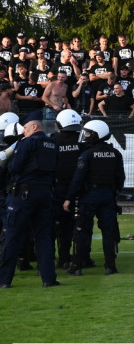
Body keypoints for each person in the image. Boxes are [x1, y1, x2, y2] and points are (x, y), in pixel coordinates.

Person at [0, 119, 60, 288]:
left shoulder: (27, 142)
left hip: (23, 194)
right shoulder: (52, 144)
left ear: (34, 127)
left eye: (25, 128)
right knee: (43, 236)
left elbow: (14, 167)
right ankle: (48, 278)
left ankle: (4, 280)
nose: (23, 132)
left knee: (12, 234)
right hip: (45, 193)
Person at [64, 120, 124, 275]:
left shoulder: (87, 155)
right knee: (109, 231)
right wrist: (114, 192)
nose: (86, 136)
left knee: (81, 230)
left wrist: (69, 197)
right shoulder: (115, 154)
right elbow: (120, 178)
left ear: (97, 134)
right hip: (108, 196)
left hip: (88, 196)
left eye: (89, 133)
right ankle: (110, 266)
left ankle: (77, 266)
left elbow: (78, 179)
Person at [52, 109, 85, 269]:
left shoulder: (53, 140)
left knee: (59, 224)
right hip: (79, 188)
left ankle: (62, 257)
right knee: (78, 224)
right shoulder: (83, 141)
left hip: (57, 189)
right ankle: (81, 257)